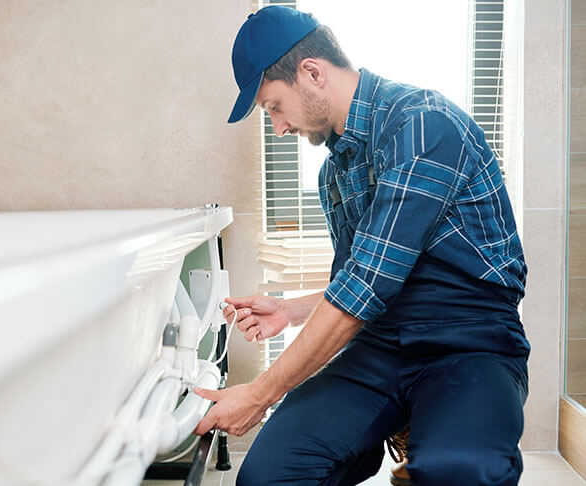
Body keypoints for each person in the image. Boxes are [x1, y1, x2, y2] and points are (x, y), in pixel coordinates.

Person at [193, 6, 530, 486]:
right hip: (380, 346)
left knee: (461, 472)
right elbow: (365, 281)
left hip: (469, 343)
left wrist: (260, 393)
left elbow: (366, 287)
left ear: (312, 73)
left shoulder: (421, 126)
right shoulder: (335, 171)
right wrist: (288, 311)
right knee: (267, 476)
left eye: (273, 106)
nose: (279, 128)